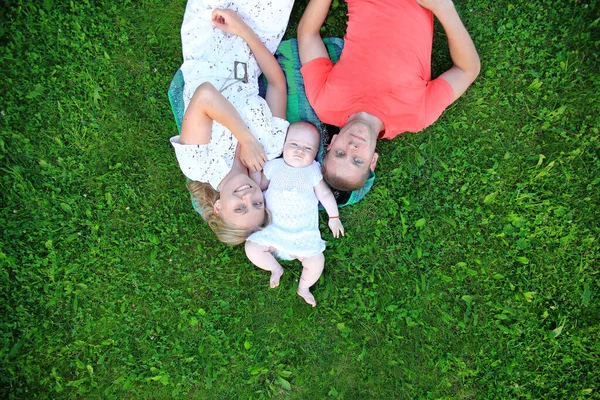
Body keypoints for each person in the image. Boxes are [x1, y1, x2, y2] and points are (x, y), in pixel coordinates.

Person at [297, 0, 481, 190]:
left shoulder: (325, 104)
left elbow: (307, 36)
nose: (352, 147)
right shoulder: (416, 116)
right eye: (358, 160)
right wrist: (443, 8)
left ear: (332, 143)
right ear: (373, 160)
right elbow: (467, 70)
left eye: (340, 153)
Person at [170, 0, 294, 245]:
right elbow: (277, 83)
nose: (247, 197)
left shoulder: (198, 165)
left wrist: (246, 139)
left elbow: (205, 96)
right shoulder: (270, 148)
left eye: (239, 208)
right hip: (256, 37)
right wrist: (244, 31)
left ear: (218, 208)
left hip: (209, 35)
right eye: (257, 203)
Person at [245, 122, 344, 307]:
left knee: (316, 261)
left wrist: (334, 217)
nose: (300, 151)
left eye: (308, 148)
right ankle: (275, 268)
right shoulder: (274, 166)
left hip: (302, 236)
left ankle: (304, 287)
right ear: (284, 145)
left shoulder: (313, 171)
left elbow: (324, 194)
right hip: (273, 232)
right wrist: (253, 169)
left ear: (315, 154)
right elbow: (260, 187)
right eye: (294, 145)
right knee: (251, 247)